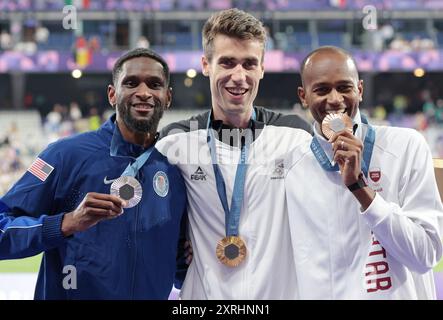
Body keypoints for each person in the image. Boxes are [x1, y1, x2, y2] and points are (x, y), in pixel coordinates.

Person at [0, 48, 187, 299]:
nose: (144, 93)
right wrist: (65, 223)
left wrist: (189, 260)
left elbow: (175, 264)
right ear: (112, 94)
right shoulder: (64, 155)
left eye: (155, 85)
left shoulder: (176, 169)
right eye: (131, 83)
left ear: (167, 98)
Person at [156, 8, 312, 299]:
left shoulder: (297, 136)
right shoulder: (174, 142)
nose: (238, 76)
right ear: (206, 64)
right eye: (227, 62)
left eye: (249, 64)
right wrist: (176, 247)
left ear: (262, 69)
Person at [285, 46, 443, 299]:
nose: (335, 99)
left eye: (344, 87)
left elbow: (426, 255)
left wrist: (360, 188)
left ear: (359, 89)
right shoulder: (291, 165)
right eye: (322, 89)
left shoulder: (406, 146)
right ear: (303, 96)